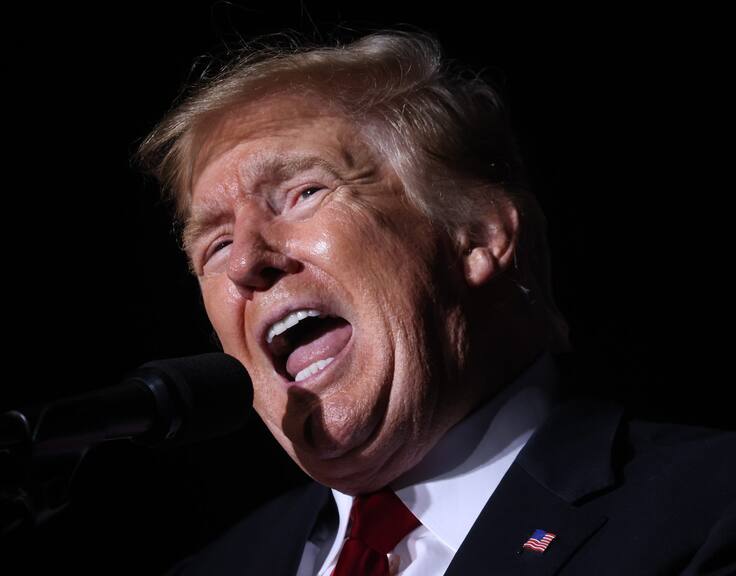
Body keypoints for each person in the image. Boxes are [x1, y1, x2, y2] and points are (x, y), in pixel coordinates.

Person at [138, 31, 735, 575]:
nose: (245, 262)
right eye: (214, 244)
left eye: (302, 192)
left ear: (477, 236)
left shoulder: (708, 508)